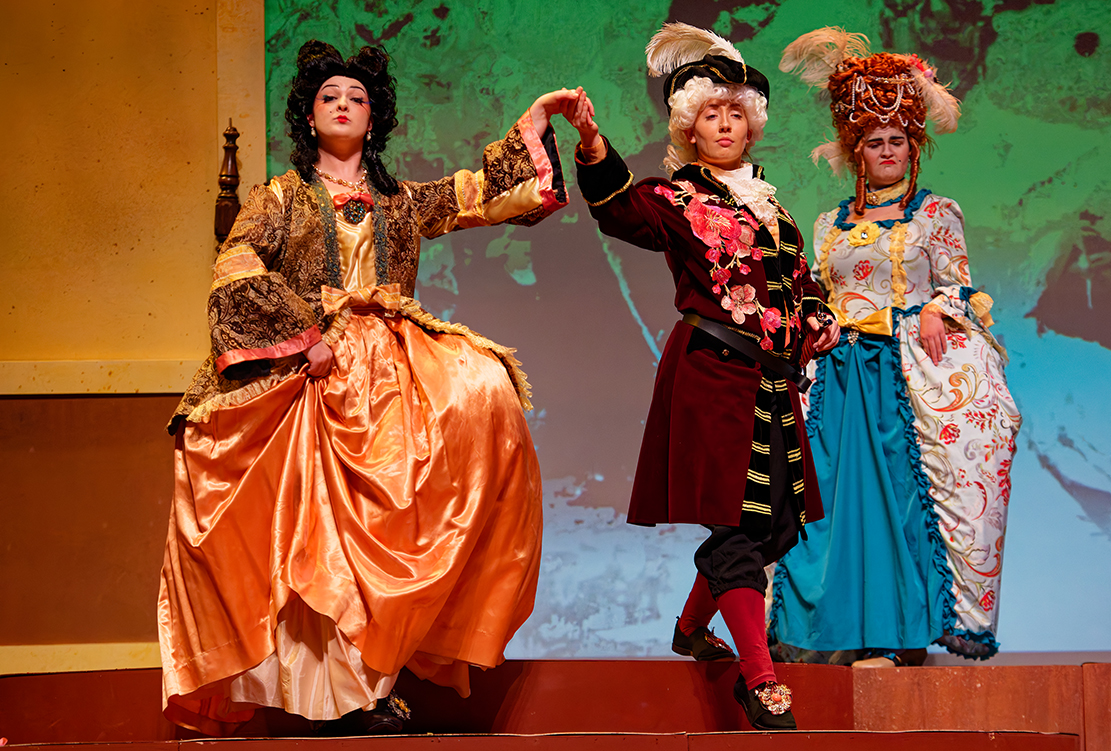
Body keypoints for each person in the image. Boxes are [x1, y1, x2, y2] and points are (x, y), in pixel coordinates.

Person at [158, 40, 588, 735]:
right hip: (318, 365)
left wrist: (533, 122)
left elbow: (481, 194)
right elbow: (235, 263)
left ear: (373, 116)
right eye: (330, 96)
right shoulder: (281, 197)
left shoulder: (398, 199)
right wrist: (306, 335)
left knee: (469, 415)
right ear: (309, 115)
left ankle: (375, 674)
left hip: (393, 363)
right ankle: (331, 691)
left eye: (356, 97)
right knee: (322, 533)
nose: (343, 104)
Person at [566, 24, 839, 729]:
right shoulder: (676, 198)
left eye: (736, 112)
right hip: (713, 375)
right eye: (711, 113)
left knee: (774, 527)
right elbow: (620, 211)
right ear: (691, 127)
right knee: (737, 529)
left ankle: (692, 629)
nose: (725, 123)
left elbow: (802, 282)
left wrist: (817, 315)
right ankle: (760, 679)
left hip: (775, 384)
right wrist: (595, 148)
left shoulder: (773, 207)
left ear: (752, 125)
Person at [767, 29, 1022, 667]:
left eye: (898, 142)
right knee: (825, 502)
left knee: (900, 504)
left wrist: (937, 307)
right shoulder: (828, 224)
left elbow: (960, 286)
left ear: (914, 146)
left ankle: (896, 634)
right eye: (875, 142)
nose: (887, 152)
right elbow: (819, 293)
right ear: (856, 149)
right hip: (836, 377)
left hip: (900, 377)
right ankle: (825, 633)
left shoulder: (937, 213)